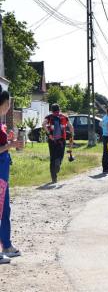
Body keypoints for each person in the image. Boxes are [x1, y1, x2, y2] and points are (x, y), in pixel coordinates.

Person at [0, 89, 23, 264]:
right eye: (7, 103)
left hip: (3, 173)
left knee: (5, 210)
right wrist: (11, 144)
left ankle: (6, 246)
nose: (8, 107)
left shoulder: (1, 122)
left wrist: (8, 141)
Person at [42, 104, 74, 183]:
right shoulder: (64, 117)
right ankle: (58, 163)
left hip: (52, 140)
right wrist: (72, 135)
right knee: (60, 155)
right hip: (61, 140)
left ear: (52, 110)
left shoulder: (49, 117)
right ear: (59, 109)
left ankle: (54, 178)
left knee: (52, 158)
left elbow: (43, 124)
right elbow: (71, 127)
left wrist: (49, 134)